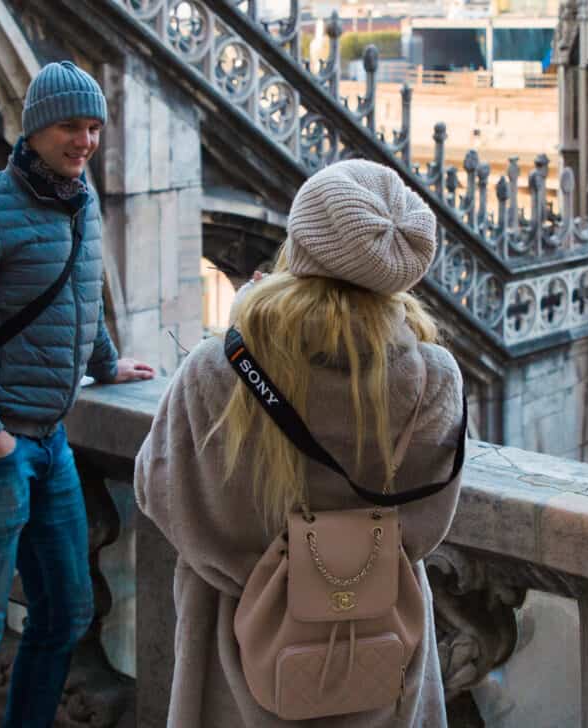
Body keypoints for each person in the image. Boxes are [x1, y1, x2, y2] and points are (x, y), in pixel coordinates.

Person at [135, 159, 465, 727]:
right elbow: (429, 523)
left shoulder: (222, 368)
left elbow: (157, 488)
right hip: (377, 641)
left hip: (237, 642)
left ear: (302, 244)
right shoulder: (434, 377)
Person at [0, 60, 154, 727]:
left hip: (52, 442)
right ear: (37, 127)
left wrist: (103, 362)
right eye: (72, 125)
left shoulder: (80, 202)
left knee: (67, 612)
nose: (86, 140)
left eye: (95, 126)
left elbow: (78, 294)